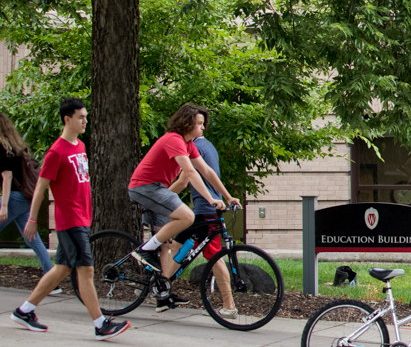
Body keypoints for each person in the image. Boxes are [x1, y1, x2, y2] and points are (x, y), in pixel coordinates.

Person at [9, 98, 132, 339]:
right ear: (67, 119)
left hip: (82, 217)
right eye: (81, 117)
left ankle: (24, 311)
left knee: (62, 268)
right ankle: (100, 325)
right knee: (86, 271)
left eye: (86, 116)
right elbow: (40, 187)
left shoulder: (80, 145)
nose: (85, 120)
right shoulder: (56, 152)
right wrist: (32, 220)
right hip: (70, 220)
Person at [126, 104, 237, 311]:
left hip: (157, 188)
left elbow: (207, 171)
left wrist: (228, 196)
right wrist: (211, 199)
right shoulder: (174, 140)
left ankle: (162, 292)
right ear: (188, 123)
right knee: (186, 217)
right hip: (145, 187)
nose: (203, 128)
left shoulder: (189, 145)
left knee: (174, 246)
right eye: (199, 124)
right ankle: (146, 250)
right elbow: (191, 173)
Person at [189, 134, 239, 319]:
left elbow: (184, 178)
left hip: (205, 209)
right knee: (175, 245)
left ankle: (229, 305)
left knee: (214, 255)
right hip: (206, 208)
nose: (202, 127)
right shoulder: (208, 145)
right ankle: (160, 291)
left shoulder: (195, 148)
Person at [0, 112, 50, 276]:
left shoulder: (2, 147)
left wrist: (4, 207)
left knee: (33, 240)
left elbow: (7, 177)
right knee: (34, 240)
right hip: (26, 198)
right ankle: (51, 278)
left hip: (14, 198)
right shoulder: (17, 147)